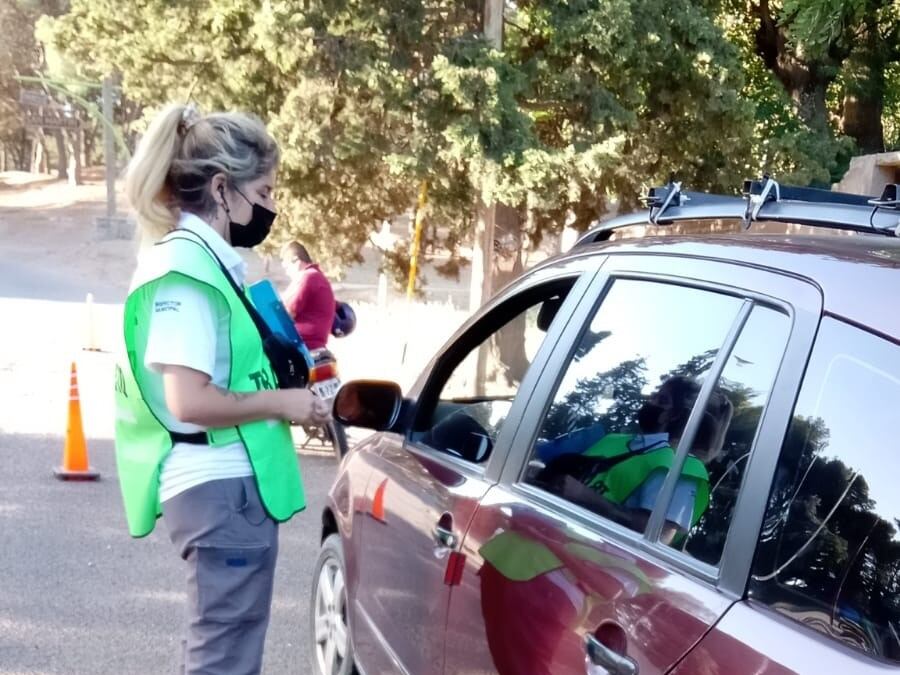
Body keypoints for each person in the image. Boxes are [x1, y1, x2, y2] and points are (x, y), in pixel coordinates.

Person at [113, 103, 331, 674]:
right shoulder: (187, 272)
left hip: (220, 487)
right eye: (264, 190)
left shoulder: (199, 263)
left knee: (217, 646)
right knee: (223, 657)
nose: (271, 206)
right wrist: (285, 403)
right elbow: (189, 400)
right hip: (218, 488)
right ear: (221, 188)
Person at [543, 376, 732, 544]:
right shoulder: (612, 440)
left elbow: (659, 536)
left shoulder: (681, 466)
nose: (650, 401)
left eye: (662, 399)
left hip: (596, 565)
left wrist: (587, 497)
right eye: (655, 395)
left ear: (676, 415)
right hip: (550, 536)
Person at [280, 241, 335, 351]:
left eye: (286, 267)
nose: (286, 273)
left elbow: (287, 313)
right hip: (313, 344)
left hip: (305, 346)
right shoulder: (317, 276)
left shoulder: (308, 277)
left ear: (296, 260)